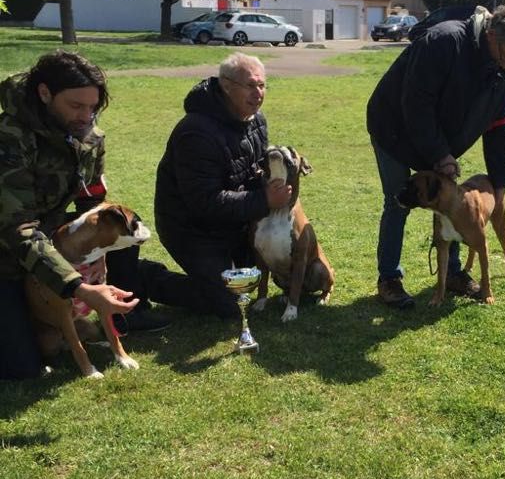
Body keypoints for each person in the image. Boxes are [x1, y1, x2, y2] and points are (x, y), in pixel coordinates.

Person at [0, 50, 166, 381]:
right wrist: (78, 286)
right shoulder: (10, 138)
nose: (86, 117)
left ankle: (125, 308)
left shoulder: (88, 137)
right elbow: (16, 229)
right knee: (22, 368)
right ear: (44, 93)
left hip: (51, 244)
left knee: (125, 228)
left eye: (93, 107)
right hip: (7, 257)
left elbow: (92, 201)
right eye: (76, 106)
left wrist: (96, 259)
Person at [367, 2, 505, 307]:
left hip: (439, 139)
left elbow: (500, 131)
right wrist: (440, 154)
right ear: (491, 35)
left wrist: (500, 182)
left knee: (451, 200)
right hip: (393, 129)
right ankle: (390, 279)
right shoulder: (444, 42)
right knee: (399, 202)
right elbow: (416, 103)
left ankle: (452, 273)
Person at [144, 53, 291, 318]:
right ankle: (146, 278)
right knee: (229, 302)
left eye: (262, 85)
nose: (258, 93)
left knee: (255, 281)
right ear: (226, 85)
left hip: (233, 222)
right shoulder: (196, 132)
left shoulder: (257, 120)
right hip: (192, 229)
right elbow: (204, 202)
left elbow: (253, 170)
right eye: (250, 85)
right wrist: (264, 200)